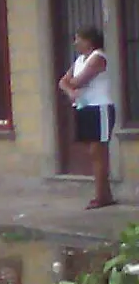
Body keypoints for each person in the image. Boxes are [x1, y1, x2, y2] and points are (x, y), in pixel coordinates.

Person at [59, 26, 116, 209]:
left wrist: (71, 86)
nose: (75, 43)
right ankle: (105, 194)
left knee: (98, 152)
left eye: (78, 39)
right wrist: (70, 92)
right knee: (92, 153)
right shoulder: (79, 60)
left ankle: (101, 196)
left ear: (89, 41)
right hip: (84, 107)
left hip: (100, 107)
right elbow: (63, 81)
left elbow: (79, 80)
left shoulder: (98, 57)